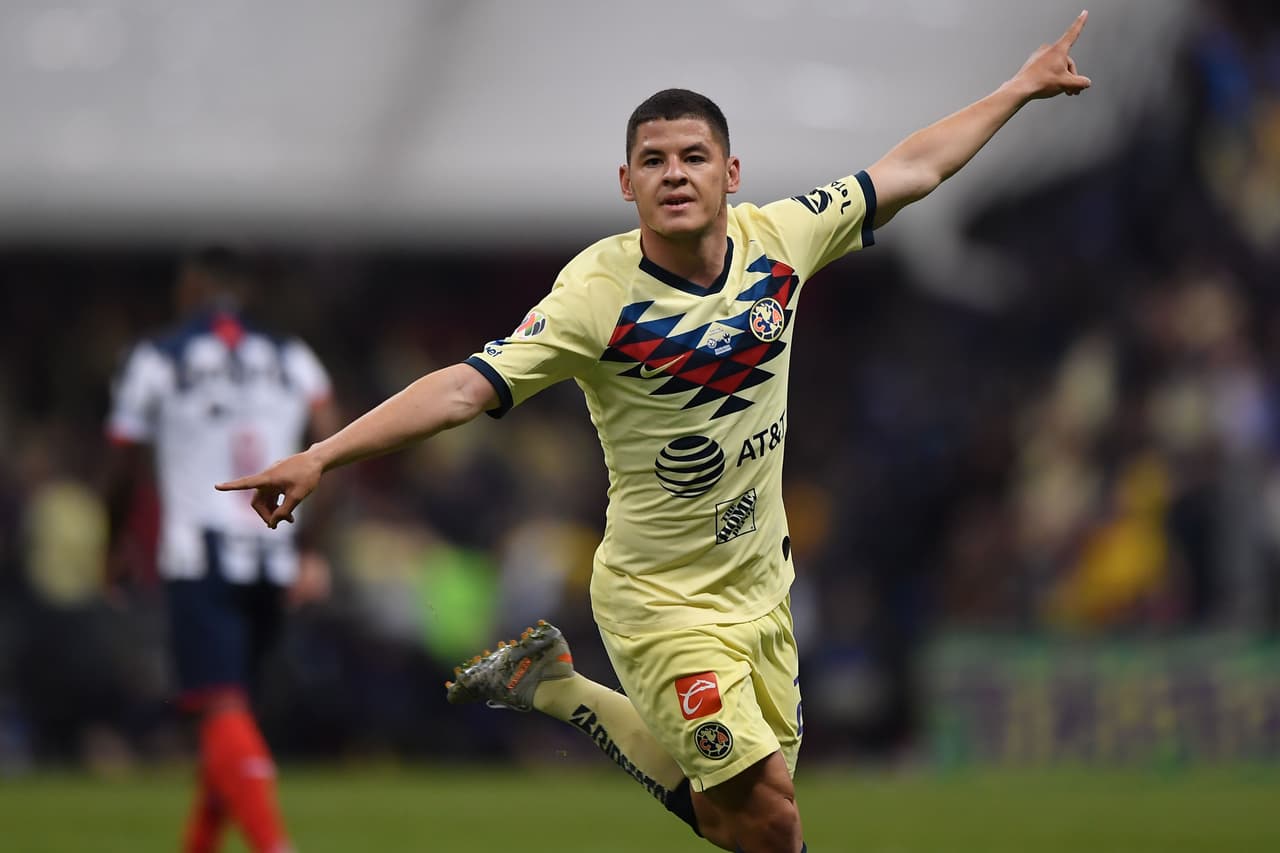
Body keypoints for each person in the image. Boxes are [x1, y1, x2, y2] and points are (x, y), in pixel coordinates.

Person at [218, 13, 1091, 852]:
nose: (675, 173)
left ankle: (556, 687)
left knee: (740, 821)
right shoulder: (595, 294)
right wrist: (325, 453)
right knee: (774, 822)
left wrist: (1017, 88)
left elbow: (912, 169)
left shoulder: (780, 241)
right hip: (658, 600)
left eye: (694, 157)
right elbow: (460, 389)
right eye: (654, 160)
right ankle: (561, 686)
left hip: (761, 590)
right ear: (626, 182)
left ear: (731, 172)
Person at [105, 247, 340, 853]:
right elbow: (333, 442)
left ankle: (272, 844)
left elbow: (124, 460)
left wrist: (114, 544)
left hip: (198, 551)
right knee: (231, 712)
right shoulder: (292, 356)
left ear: (191, 289)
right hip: (274, 548)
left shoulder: (156, 355)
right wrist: (313, 549)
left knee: (219, 706)